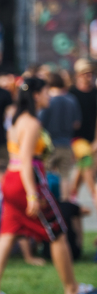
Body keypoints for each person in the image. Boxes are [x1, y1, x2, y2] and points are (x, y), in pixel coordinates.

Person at [0, 78, 81, 294]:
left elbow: (16, 158)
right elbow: (26, 160)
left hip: (11, 179)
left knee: (7, 235)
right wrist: (32, 195)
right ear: (36, 95)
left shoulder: (16, 120)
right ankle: (72, 288)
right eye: (46, 92)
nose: (49, 97)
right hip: (27, 182)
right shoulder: (32, 123)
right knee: (58, 233)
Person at [40, 72, 82, 201]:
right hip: (66, 143)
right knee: (65, 177)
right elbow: (77, 123)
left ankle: (48, 202)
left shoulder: (48, 101)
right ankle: (65, 204)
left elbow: (40, 123)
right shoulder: (71, 99)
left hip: (49, 145)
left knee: (44, 176)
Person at [69, 59, 97, 211]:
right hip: (75, 138)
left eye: (91, 74)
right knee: (87, 163)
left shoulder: (94, 93)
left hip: (90, 138)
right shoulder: (72, 93)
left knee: (82, 166)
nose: (89, 77)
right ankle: (94, 193)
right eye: (86, 74)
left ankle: (72, 193)